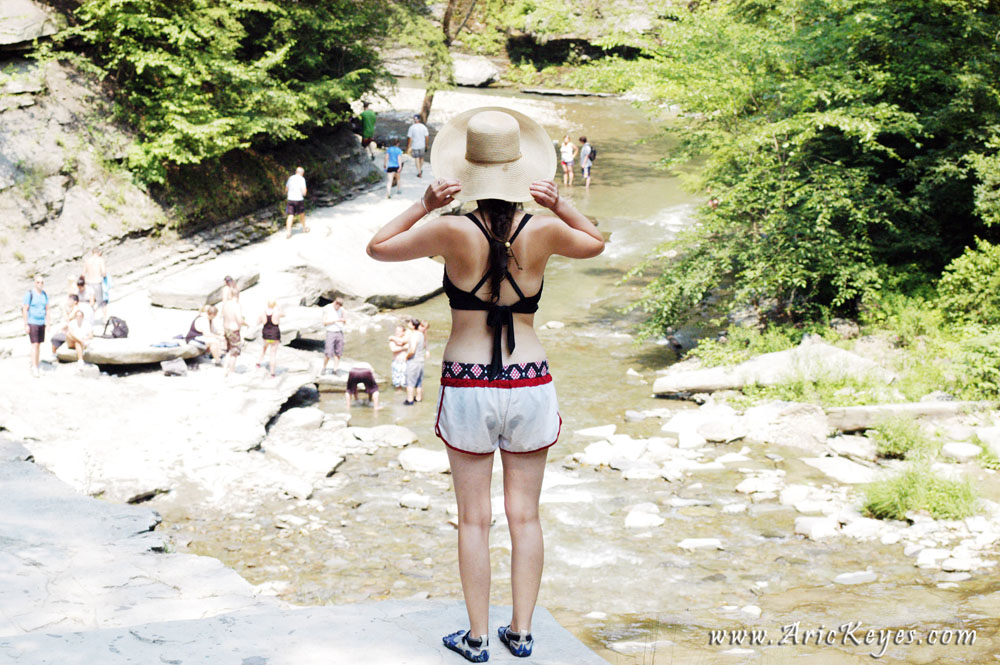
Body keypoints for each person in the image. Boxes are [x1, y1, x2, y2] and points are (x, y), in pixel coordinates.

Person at [367, 107, 604, 662]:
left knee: (474, 518)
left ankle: (476, 639)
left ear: (468, 171)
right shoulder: (545, 229)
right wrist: (561, 204)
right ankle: (520, 633)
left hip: (469, 382)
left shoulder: (450, 229)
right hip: (530, 379)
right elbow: (595, 243)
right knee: (526, 516)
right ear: (522, 172)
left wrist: (422, 204)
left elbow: (378, 247)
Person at [22, 275, 49, 378]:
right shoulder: (30, 294)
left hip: (41, 322)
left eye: (42, 282)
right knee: (35, 344)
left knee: (39, 345)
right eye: (38, 282)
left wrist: (48, 322)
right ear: (35, 283)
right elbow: (25, 309)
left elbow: (47, 309)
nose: (40, 284)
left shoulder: (44, 295)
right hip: (32, 322)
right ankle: (34, 367)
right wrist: (26, 324)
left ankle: (36, 363)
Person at [220, 287, 246, 377]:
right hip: (234, 330)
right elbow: (239, 320)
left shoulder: (226, 304)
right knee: (234, 352)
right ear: (238, 295)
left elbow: (223, 316)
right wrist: (245, 324)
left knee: (228, 351)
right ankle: (231, 372)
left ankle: (224, 369)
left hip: (226, 329)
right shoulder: (236, 305)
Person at [256, 300, 283, 377]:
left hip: (266, 335)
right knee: (273, 354)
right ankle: (272, 373)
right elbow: (283, 314)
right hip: (275, 335)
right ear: (274, 305)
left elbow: (258, 322)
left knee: (264, 348)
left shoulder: (262, 313)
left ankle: (258, 363)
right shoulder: (276, 313)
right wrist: (279, 307)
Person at [322, 297, 346, 375]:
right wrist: (335, 321)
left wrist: (343, 321)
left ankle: (335, 369)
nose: (338, 307)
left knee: (338, 352)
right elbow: (324, 322)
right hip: (330, 332)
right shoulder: (328, 308)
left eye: (340, 305)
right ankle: (324, 367)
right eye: (338, 305)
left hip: (339, 331)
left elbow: (344, 321)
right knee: (328, 352)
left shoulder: (342, 310)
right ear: (335, 303)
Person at [404, 317, 425, 405]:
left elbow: (412, 350)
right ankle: (418, 399)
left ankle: (409, 400)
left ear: (413, 326)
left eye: (409, 323)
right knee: (419, 383)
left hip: (413, 361)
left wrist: (406, 357)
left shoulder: (413, 335)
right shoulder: (421, 334)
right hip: (421, 361)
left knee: (410, 382)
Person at [83, 248, 107, 321]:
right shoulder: (100, 260)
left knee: (91, 302)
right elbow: (103, 272)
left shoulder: (87, 261)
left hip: (89, 283)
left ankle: (90, 318)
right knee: (102, 302)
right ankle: (105, 319)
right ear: (99, 253)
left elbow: (83, 273)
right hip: (97, 282)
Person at [285, 166, 309, 238]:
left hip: (290, 199)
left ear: (296, 172)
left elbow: (286, 189)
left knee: (290, 215)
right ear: (302, 173)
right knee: (302, 214)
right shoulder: (302, 179)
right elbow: (304, 191)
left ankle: (288, 232)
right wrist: (303, 194)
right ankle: (304, 228)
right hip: (299, 199)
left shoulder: (290, 178)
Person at [406, 114, 430, 178]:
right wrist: (426, 144)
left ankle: (419, 172)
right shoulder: (423, 127)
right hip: (422, 145)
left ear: (414, 120)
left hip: (415, 145)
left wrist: (408, 146)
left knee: (417, 158)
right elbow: (427, 137)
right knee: (421, 157)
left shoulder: (412, 127)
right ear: (420, 119)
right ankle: (420, 169)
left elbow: (409, 138)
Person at [388, 324, 410, 390]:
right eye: (396, 331)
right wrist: (403, 348)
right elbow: (393, 349)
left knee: (406, 382)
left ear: (403, 332)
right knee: (397, 382)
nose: (397, 332)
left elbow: (408, 344)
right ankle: (398, 394)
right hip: (396, 362)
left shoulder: (406, 339)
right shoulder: (392, 340)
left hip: (405, 362)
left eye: (399, 331)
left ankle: (407, 396)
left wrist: (401, 347)